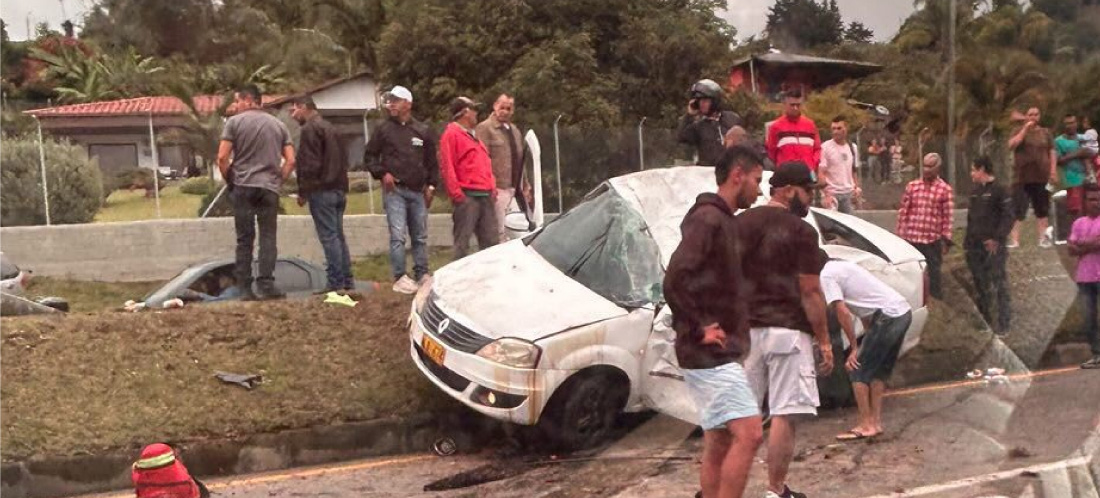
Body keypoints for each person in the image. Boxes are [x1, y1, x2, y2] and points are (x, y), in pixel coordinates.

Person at [663, 145, 765, 498]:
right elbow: (675, 277)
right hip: (709, 354)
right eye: (756, 179)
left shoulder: (722, 220)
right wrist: (698, 327)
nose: (759, 189)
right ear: (738, 175)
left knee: (720, 440)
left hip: (715, 351)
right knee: (750, 433)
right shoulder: (708, 219)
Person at [738, 161, 833, 498]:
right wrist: (824, 340)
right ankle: (775, 491)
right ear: (789, 190)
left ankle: (725, 488)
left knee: (741, 418)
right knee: (784, 413)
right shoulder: (801, 232)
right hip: (788, 331)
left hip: (746, 333)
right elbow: (810, 290)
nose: (810, 199)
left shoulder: (741, 224)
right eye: (808, 192)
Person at [821, 257, 913, 441]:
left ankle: (866, 424)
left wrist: (855, 347)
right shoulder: (844, 266)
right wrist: (867, 340)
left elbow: (843, 312)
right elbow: (865, 310)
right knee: (878, 370)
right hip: (902, 312)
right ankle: (875, 422)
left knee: (857, 370)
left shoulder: (826, 276)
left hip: (887, 315)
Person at [217, 84, 295, 301]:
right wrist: (278, 179)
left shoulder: (234, 123)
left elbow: (222, 158)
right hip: (269, 187)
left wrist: (230, 180)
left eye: (237, 101)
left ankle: (245, 287)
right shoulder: (279, 125)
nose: (235, 105)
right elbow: (291, 160)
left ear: (248, 100)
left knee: (245, 238)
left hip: (243, 185)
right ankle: (267, 284)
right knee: (268, 236)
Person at [364, 85, 439, 294]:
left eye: (396, 100)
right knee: (398, 235)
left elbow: (432, 162)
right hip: (395, 190)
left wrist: (432, 185)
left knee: (420, 235)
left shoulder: (422, 131)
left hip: (417, 191)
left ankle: (422, 273)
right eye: (390, 101)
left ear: (408, 103)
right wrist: (382, 173)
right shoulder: (383, 129)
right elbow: (370, 156)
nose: (391, 104)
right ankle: (399, 277)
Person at [292, 96, 352, 293]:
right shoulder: (333, 129)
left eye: (294, 110)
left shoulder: (310, 130)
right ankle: (347, 279)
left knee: (329, 237)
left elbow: (309, 164)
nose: (293, 115)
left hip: (322, 189)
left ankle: (335, 283)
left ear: (304, 108)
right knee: (338, 236)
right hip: (339, 188)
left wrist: (303, 191)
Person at [440, 96, 498, 260]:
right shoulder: (451, 134)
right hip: (468, 196)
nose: (476, 113)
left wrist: (492, 186)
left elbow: (485, 163)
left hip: (485, 195)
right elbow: (447, 166)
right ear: (465, 112)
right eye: (474, 109)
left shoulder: (474, 136)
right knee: (462, 243)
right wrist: (457, 194)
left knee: (491, 243)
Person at [964, 156, 1014, 334]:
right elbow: (971, 219)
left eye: (973, 170)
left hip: (993, 247)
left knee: (999, 282)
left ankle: (1004, 323)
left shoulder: (1001, 190)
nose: (971, 174)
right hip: (974, 246)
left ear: (982, 169)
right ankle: (985, 320)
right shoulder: (975, 191)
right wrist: (967, 243)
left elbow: (1008, 217)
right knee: (980, 282)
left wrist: (997, 239)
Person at [896, 153, 954, 300]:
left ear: (938, 168)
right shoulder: (913, 186)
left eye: (930, 166)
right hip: (912, 238)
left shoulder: (944, 189)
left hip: (931, 240)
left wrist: (945, 240)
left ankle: (935, 302)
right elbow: (904, 211)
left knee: (934, 273)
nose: (926, 170)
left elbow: (947, 217)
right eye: (925, 166)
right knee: (911, 273)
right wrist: (900, 234)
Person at [475, 94, 532, 242]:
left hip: (515, 187)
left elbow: (520, 159)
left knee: (517, 227)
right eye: (502, 107)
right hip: (497, 187)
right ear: (495, 106)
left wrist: (525, 184)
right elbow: (482, 158)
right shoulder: (485, 128)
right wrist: (489, 184)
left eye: (509, 108)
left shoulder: (514, 130)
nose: (505, 111)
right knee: (500, 229)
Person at [1007, 107, 1056, 249]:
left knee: (1042, 210)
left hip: (1041, 177)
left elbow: (1052, 151)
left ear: (1039, 116)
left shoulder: (1046, 133)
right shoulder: (1017, 130)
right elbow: (1011, 145)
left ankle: (1043, 239)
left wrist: (1053, 171)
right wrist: (1024, 130)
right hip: (1021, 178)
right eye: (1030, 114)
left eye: (1036, 114)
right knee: (1018, 209)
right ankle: (1015, 240)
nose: (1033, 117)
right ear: (1026, 117)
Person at [1069, 185, 1100, 369]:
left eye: (1098, 199)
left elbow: (1078, 245)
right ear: (1085, 202)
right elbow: (1070, 248)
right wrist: (1092, 243)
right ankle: (1097, 354)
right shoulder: (1078, 223)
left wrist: (1082, 245)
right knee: (1088, 319)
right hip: (1085, 278)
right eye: (1092, 199)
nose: (1096, 203)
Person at [679, 79, 741, 167]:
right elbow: (682, 137)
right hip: (708, 175)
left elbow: (744, 143)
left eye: (705, 100)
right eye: (699, 101)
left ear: (715, 100)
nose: (701, 104)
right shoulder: (698, 126)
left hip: (731, 171)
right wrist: (689, 115)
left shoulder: (732, 118)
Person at [766, 90, 821, 175]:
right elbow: (771, 152)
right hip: (786, 174)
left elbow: (817, 149)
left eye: (798, 105)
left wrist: (812, 164)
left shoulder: (810, 125)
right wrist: (782, 166)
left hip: (808, 172)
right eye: (792, 105)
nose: (795, 108)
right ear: (785, 104)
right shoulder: (776, 127)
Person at [818, 116, 862, 214]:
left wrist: (856, 188)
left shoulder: (852, 147)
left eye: (839, 128)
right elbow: (821, 173)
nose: (836, 131)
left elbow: (853, 171)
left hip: (848, 193)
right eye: (833, 128)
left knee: (849, 225)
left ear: (846, 129)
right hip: (832, 193)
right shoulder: (826, 147)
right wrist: (826, 195)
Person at [1056, 114, 1095, 219]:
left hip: (1089, 179)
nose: (1070, 126)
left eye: (1072, 123)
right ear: (1064, 125)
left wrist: (1087, 151)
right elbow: (1058, 160)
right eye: (1067, 123)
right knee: (1077, 212)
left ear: (1076, 123)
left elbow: (1093, 152)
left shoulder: (1083, 137)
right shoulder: (1059, 141)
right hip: (1072, 181)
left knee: (1092, 210)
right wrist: (1077, 153)